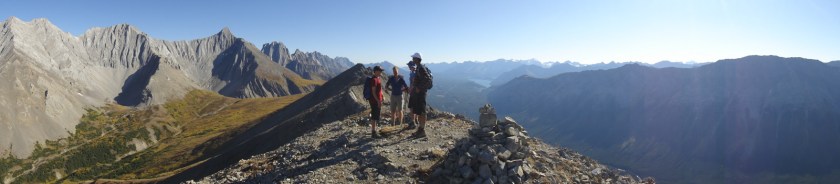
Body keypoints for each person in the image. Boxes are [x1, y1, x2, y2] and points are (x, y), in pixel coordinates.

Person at [409, 52, 432, 137]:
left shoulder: (421, 68)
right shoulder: (419, 67)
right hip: (420, 93)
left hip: (421, 93)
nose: (412, 59)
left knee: (422, 111)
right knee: (419, 111)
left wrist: (419, 88)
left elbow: (427, 79)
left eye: (414, 58)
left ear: (417, 59)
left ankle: (422, 130)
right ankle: (420, 129)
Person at [367, 66, 385, 138]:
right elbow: (373, 92)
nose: (381, 72)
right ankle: (373, 132)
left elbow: (379, 90)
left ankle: (374, 131)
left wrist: (382, 96)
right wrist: (378, 101)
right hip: (374, 101)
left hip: (377, 100)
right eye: (380, 70)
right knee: (374, 116)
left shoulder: (378, 78)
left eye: (381, 70)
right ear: (376, 71)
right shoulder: (374, 79)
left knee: (376, 115)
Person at [406, 61, 418, 129]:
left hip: (413, 93)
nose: (408, 67)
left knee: (411, 107)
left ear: (411, 66)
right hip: (416, 92)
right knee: (415, 107)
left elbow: (413, 83)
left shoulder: (413, 73)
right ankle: (415, 120)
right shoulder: (415, 72)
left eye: (409, 65)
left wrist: (409, 89)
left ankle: (413, 122)